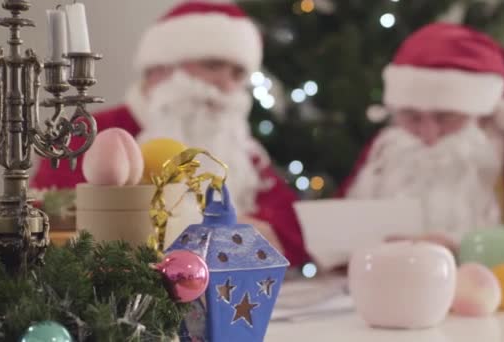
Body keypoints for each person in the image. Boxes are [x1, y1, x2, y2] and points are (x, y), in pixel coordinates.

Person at [31, 1, 309, 267]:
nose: (225, 84)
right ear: (157, 70)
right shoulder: (92, 132)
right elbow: (46, 216)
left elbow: (296, 229)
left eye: (237, 74)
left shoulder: (239, 147)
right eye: (212, 65)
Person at [338, 23, 504, 289]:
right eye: (412, 116)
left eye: (446, 117)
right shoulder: (390, 146)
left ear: (483, 111)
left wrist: (467, 254)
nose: (429, 135)